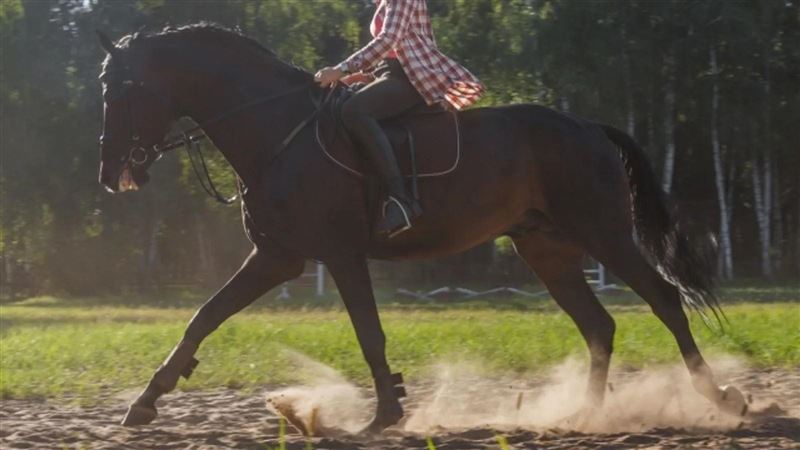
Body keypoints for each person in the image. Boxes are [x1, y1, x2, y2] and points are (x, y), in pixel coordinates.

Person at [315, 0, 484, 238]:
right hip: (392, 74)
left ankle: (401, 199)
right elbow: (396, 53)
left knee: (353, 111)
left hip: (412, 79)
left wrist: (341, 69)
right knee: (339, 103)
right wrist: (366, 78)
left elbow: (389, 39)